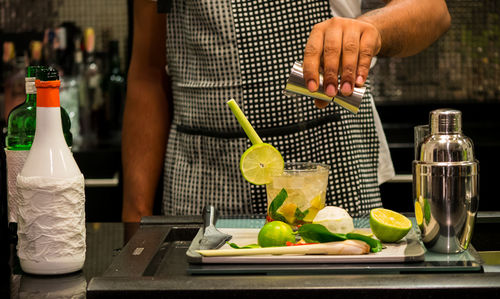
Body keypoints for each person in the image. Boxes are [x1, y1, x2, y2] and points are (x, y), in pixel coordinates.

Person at [122, 0, 451, 222]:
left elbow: (434, 10)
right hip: (201, 181)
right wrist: (135, 218)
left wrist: (371, 28)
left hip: (334, 174)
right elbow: (148, 73)